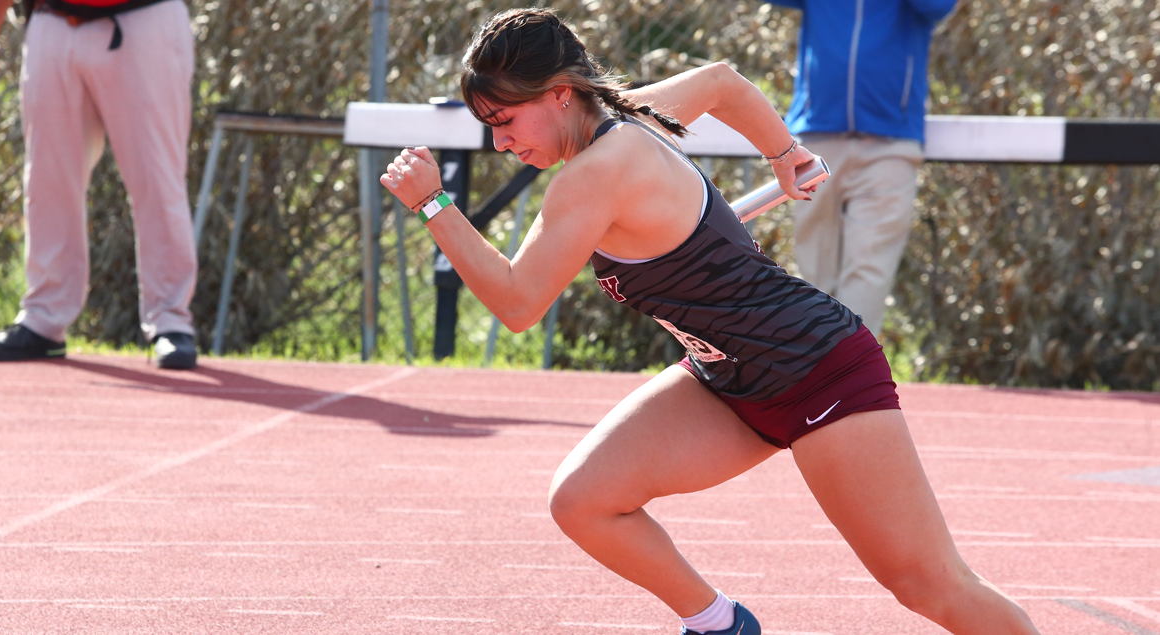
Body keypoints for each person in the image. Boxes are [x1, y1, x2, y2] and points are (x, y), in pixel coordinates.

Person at [381, 9, 1041, 635]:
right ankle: (718, 622)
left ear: (558, 93)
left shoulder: (596, 172)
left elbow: (519, 305)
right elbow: (720, 83)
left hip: (815, 371)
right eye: (488, 126)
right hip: (725, 378)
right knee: (583, 500)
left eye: (505, 119)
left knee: (925, 582)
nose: (499, 143)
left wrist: (435, 204)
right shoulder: (630, 119)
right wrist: (782, 152)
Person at [0, 0, 199, 369]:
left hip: (144, 19)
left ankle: (171, 322)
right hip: (53, 23)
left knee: (157, 178)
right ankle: (43, 320)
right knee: (48, 181)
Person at [767, 0, 958, 337]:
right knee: (814, 266)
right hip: (816, 137)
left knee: (869, 267)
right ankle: (810, 371)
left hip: (890, 143)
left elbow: (937, 5)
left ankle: (852, 375)